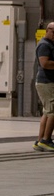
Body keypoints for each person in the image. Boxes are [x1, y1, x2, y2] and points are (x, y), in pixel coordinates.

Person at [36, 21, 54, 151]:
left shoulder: (50, 44)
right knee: (52, 112)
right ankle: (46, 140)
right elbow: (45, 63)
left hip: (47, 82)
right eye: (53, 32)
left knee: (47, 112)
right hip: (46, 82)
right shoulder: (44, 45)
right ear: (47, 30)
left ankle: (40, 141)